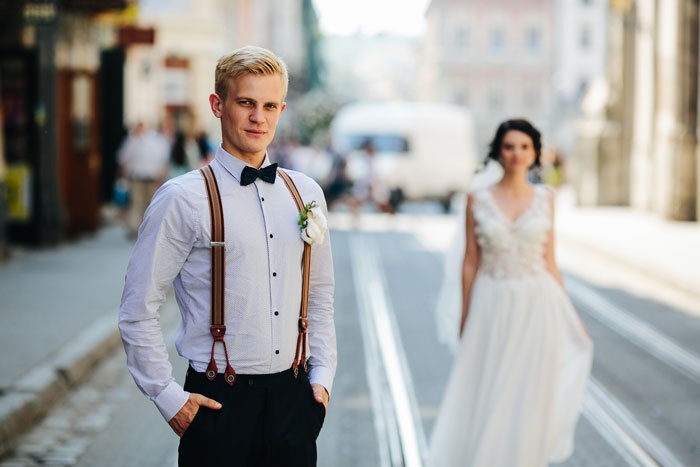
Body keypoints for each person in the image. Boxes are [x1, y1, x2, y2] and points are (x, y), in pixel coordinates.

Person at [118, 46, 336, 466]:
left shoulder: (305, 193)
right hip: (218, 404)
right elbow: (137, 308)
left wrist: (321, 381)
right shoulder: (183, 198)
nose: (259, 117)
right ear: (218, 105)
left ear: (282, 109)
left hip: (294, 403)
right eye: (246, 103)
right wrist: (168, 398)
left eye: (270, 105)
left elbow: (320, 296)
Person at [427, 119, 592, 467]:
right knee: (491, 392)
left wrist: (571, 317)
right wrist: (465, 314)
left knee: (531, 395)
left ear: (535, 153)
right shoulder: (477, 198)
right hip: (492, 302)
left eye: (524, 147)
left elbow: (550, 262)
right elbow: (470, 262)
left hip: (538, 305)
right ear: (498, 152)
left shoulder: (547, 198)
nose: (516, 154)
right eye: (509, 146)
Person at [117, 121, 170, 237]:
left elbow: (160, 158)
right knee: (136, 202)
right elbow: (123, 158)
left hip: (151, 177)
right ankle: (135, 228)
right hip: (136, 176)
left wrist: (160, 174)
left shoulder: (153, 141)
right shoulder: (131, 141)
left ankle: (147, 227)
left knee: (149, 203)